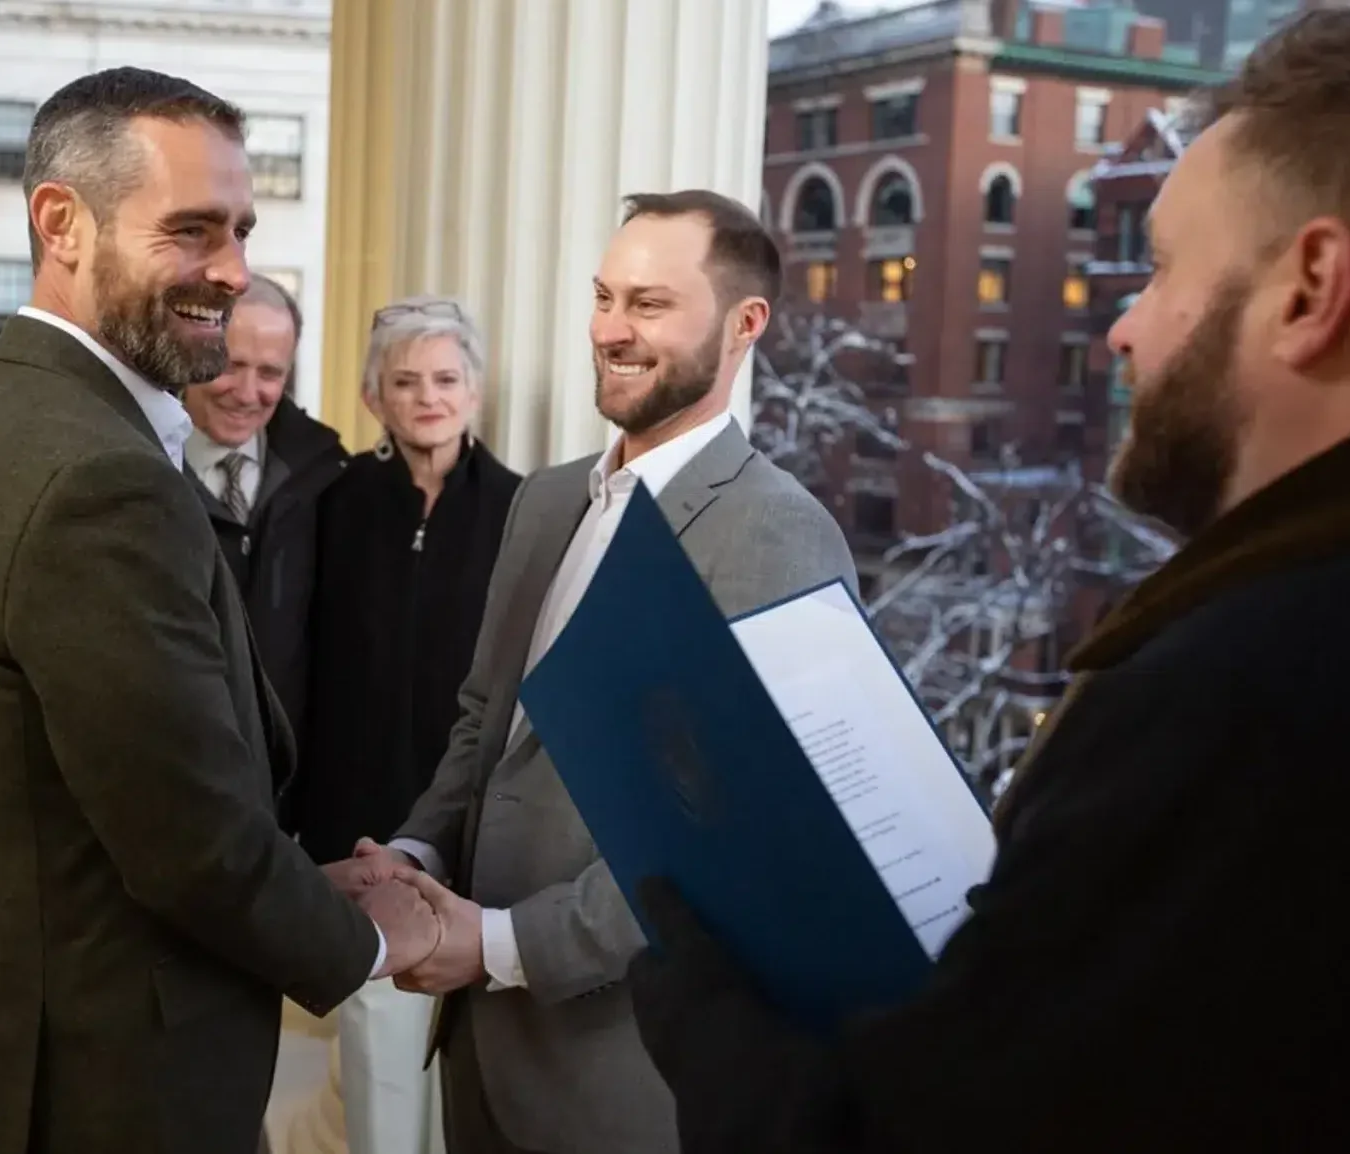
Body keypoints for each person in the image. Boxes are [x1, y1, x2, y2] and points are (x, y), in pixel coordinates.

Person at [626, 6, 1350, 1151]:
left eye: (1161, 268)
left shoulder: (1244, 701)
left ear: (1311, 287)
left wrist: (706, 1022)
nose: (1119, 327)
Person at [0, 67, 443, 1154]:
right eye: (190, 230)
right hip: (97, 1091)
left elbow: (109, 801)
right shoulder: (95, 477)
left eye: (238, 229)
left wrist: (296, 876)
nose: (232, 271)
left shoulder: (14, 417)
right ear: (62, 223)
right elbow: (191, 847)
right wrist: (370, 939)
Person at [334, 190, 859, 1154]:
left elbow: (731, 841)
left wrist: (494, 947)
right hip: (479, 1057)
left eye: (650, 305)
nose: (610, 330)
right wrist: (410, 863)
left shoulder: (780, 536)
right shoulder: (542, 503)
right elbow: (484, 725)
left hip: (624, 1080)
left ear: (745, 326)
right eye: (604, 295)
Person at [295, 295, 520, 1154]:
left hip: (477, 836)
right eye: (405, 381)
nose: (428, 397)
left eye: (446, 379)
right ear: (373, 398)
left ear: (475, 392)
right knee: (380, 1071)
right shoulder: (333, 503)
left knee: (479, 1076)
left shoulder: (524, 509)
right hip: (359, 828)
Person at [182, 273, 345, 744]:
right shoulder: (136, 474)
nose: (248, 392)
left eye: (270, 373)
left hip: (285, 788)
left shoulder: (329, 478)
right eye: (230, 365)